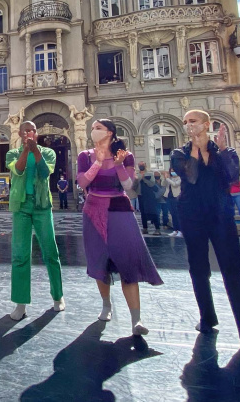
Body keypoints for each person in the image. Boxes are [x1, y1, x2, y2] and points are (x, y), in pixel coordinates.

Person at [171, 110, 240, 357]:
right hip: (192, 215)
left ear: (206, 124)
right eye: (186, 122)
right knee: (198, 268)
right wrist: (196, 150)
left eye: (194, 121)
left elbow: (231, 177)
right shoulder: (179, 153)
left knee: (233, 270)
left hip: (220, 215)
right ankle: (207, 317)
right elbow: (191, 176)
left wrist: (220, 151)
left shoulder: (226, 151)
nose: (189, 125)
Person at [77, 119, 162, 335]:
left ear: (110, 133)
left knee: (128, 259)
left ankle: (136, 319)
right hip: (93, 209)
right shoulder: (85, 156)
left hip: (119, 207)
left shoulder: (125, 155)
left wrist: (118, 165)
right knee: (98, 260)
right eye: (93, 128)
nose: (94, 131)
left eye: (98, 128)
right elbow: (83, 183)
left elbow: (128, 185)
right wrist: (97, 162)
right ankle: (106, 304)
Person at [5, 121, 64, 321]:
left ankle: (58, 296)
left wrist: (35, 150)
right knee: (20, 254)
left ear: (36, 133)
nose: (29, 133)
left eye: (32, 130)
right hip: (21, 206)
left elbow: (45, 172)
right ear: (20, 134)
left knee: (51, 251)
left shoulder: (48, 153)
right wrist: (25, 151)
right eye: (26, 130)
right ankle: (20, 304)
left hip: (42, 205)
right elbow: (18, 170)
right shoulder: (12, 153)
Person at [138, 168, 161, 235]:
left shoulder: (150, 177)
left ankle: (157, 229)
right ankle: (145, 228)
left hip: (150, 198)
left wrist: (144, 179)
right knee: (143, 213)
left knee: (153, 213)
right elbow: (134, 186)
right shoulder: (138, 178)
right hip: (141, 197)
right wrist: (138, 179)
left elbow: (152, 185)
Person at [165, 168, 182, 238]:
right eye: (171, 171)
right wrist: (165, 177)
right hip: (169, 197)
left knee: (178, 214)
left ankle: (181, 231)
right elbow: (164, 184)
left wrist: (168, 179)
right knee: (173, 214)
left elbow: (175, 184)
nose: (172, 172)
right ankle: (175, 230)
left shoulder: (180, 178)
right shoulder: (170, 178)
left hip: (176, 197)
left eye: (173, 171)